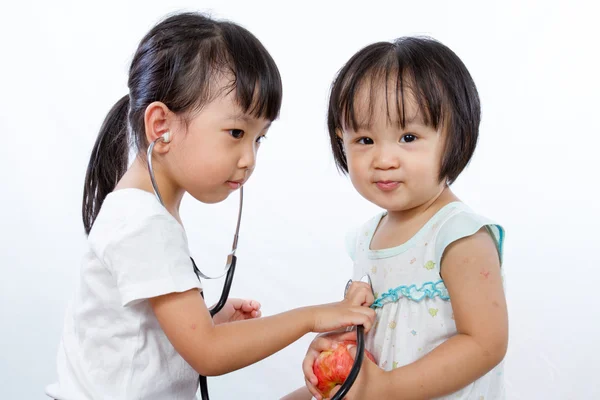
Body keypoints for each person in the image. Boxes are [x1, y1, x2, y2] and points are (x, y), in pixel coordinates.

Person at [45, 12, 376, 400]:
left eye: (258, 139)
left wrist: (208, 320)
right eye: (236, 132)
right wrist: (314, 316)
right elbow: (206, 354)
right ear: (161, 127)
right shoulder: (142, 224)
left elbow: (136, 337)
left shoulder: (140, 213)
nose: (249, 158)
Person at [286, 36, 508, 400]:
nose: (384, 159)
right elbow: (378, 336)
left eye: (408, 136)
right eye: (364, 140)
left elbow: (486, 344)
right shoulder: (365, 238)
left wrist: (387, 387)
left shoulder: (459, 236)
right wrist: (334, 353)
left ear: (456, 138)